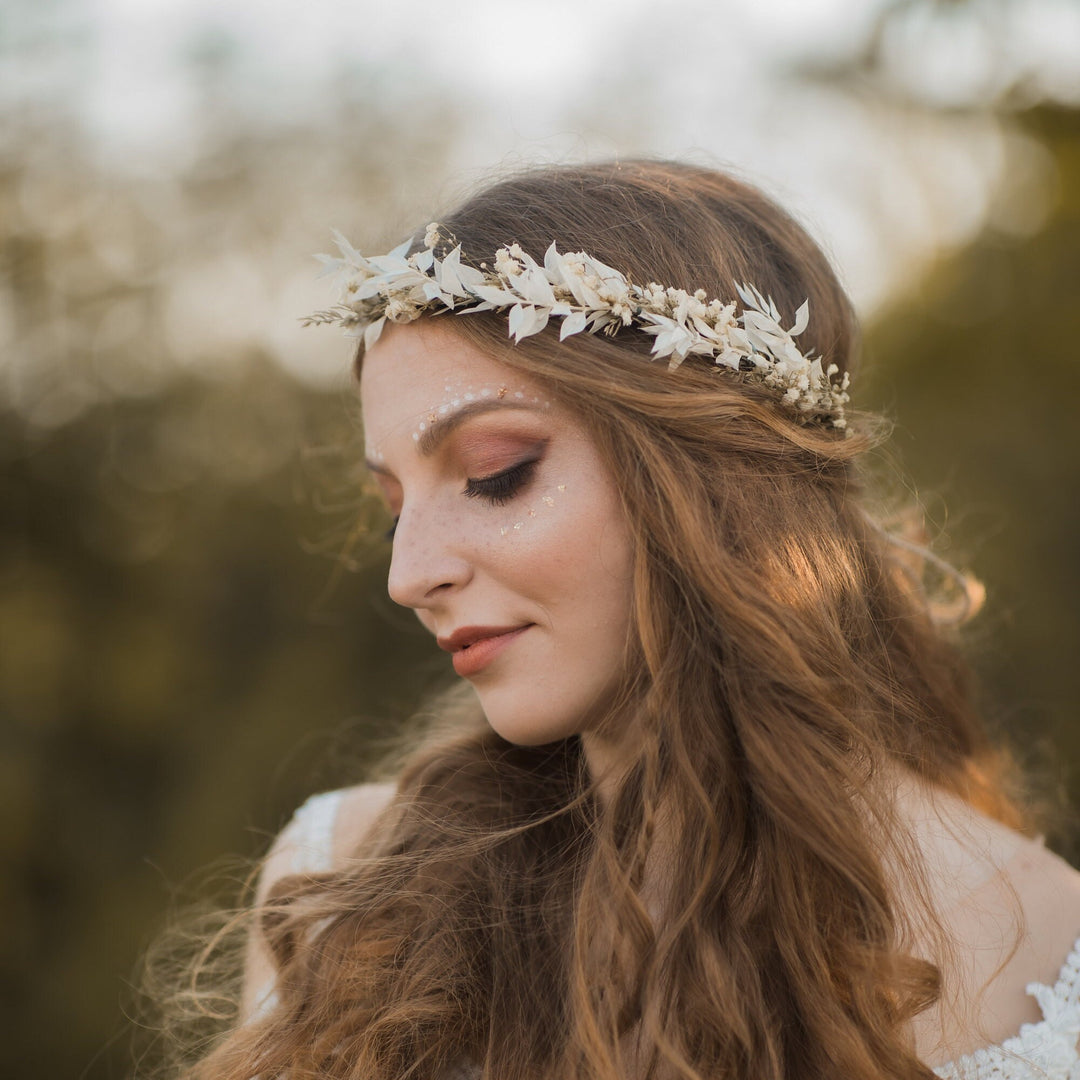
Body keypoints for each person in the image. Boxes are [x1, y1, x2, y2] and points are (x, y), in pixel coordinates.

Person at [186, 161, 1080, 1080]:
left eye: (495, 473)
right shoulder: (345, 898)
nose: (409, 575)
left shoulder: (1056, 950)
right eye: (392, 508)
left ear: (716, 472)